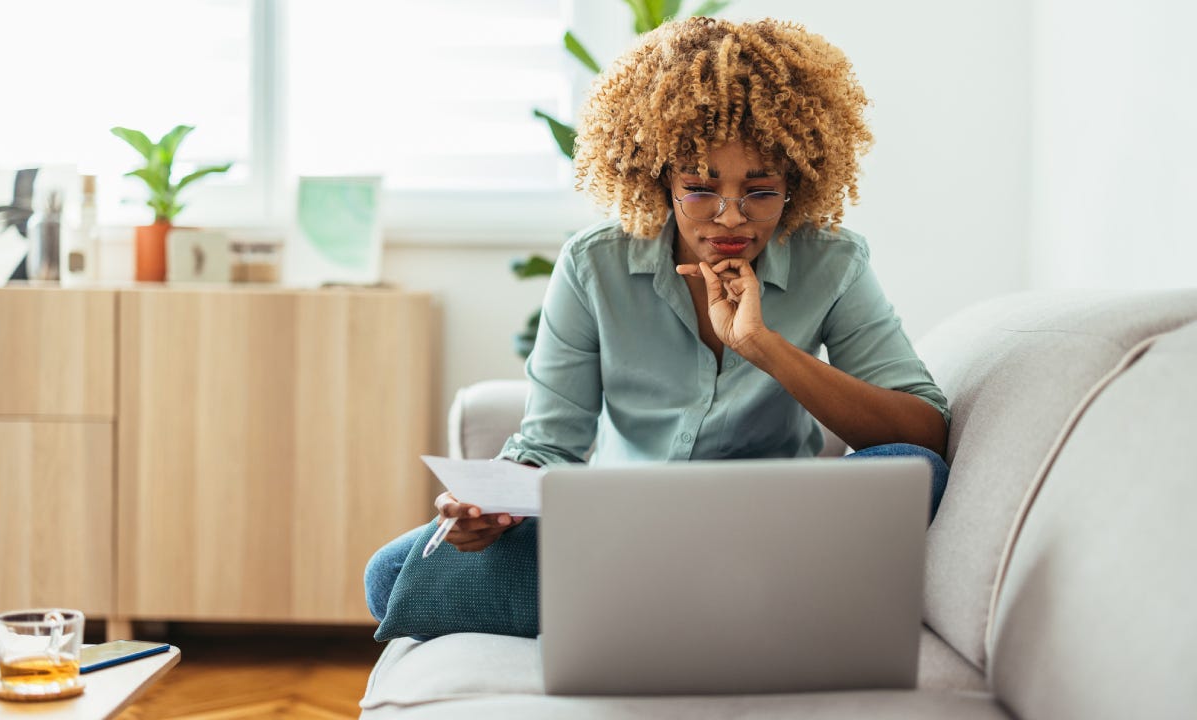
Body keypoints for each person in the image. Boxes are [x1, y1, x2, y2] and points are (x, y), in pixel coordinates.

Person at [366, 16, 949, 622]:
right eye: (699, 188)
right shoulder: (595, 265)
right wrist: (492, 506)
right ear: (659, 179)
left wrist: (762, 344)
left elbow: (923, 435)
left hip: (769, 528)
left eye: (760, 190)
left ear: (796, 184)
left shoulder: (832, 262)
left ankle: (657, 608)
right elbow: (549, 445)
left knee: (916, 472)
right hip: (621, 529)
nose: (730, 218)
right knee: (390, 578)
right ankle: (726, 608)